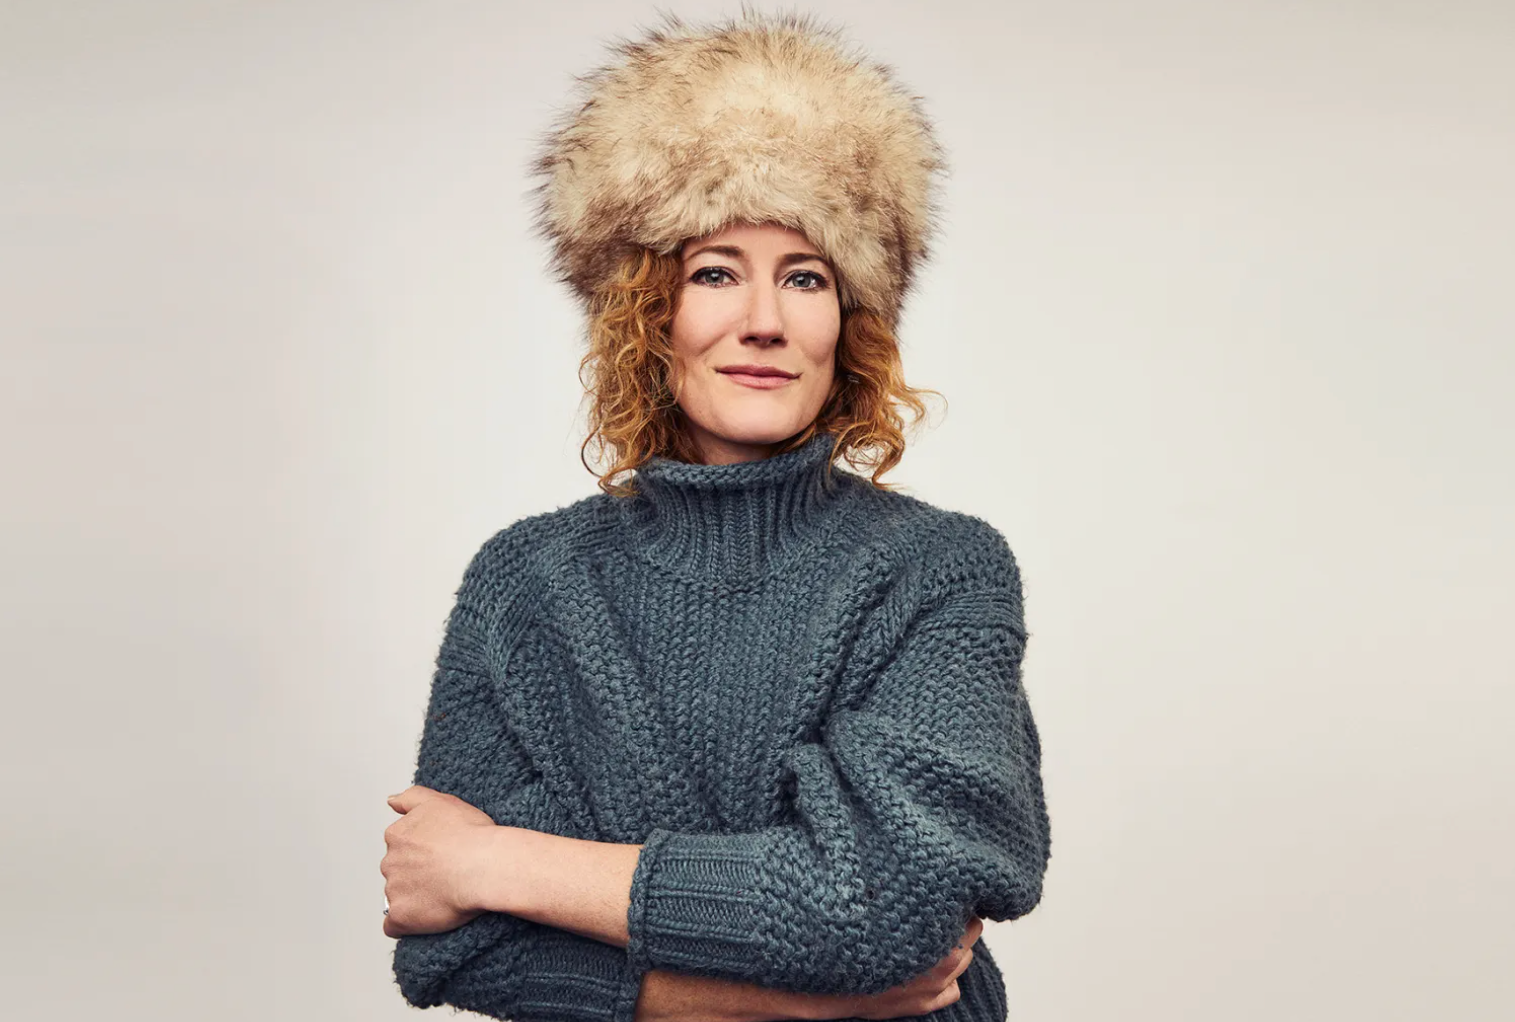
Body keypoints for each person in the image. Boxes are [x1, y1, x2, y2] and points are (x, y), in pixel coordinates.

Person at [380, 9, 1050, 1021]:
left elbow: (886, 907)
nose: (764, 321)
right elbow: (454, 951)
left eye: (805, 276)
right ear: (645, 312)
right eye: (715, 272)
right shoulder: (527, 582)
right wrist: (817, 1002)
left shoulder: (940, 569)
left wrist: (501, 862)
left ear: (849, 322)